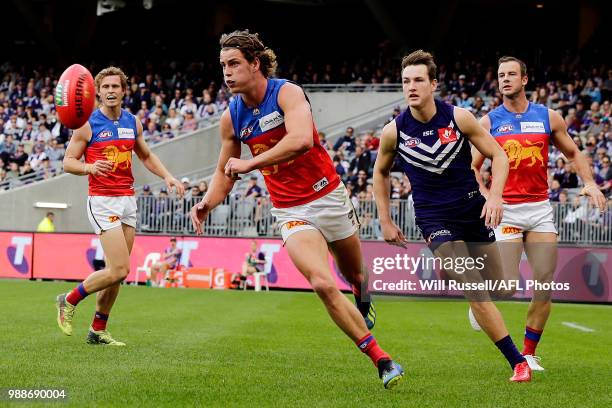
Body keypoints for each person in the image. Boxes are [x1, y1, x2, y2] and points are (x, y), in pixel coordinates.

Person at [190, 29, 403, 389]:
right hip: (290, 210)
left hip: (329, 196)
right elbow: (225, 169)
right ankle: (381, 359)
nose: (226, 72)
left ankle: (362, 299)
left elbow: (302, 140)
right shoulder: (232, 116)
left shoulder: (286, 92)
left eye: (234, 64)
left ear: (255, 63)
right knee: (321, 283)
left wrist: (251, 165)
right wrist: (208, 202)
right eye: (222, 65)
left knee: (357, 276)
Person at [373, 50, 532, 382]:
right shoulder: (394, 131)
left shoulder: (459, 118)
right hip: (434, 220)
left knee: (501, 287)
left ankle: (479, 308)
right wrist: (386, 220)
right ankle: (518, 362)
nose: (411, 87)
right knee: (473, 288)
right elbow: (381, 173)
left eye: (418, 80)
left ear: (433, 83)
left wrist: (496, 196)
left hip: (473, 211)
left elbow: (499, 156)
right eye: (406, 81)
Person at [471, 56, 607, 370]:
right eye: (501, 75)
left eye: (511, 74)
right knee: (505, 287)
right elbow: (472, 167)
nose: (505, 79)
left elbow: (573, 152)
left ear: (525, 79)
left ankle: (528, 354)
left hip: (539, 210)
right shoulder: (489, 123)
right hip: (507, 211)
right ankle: (479, 299)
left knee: (544, 283)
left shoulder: (548, 117)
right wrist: (490, 197)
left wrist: (588, 182)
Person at [56, 66, 184, 346]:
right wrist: (90, 167)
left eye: (116, 87)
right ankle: (68, 299)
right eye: (106, 87)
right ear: (97, 92)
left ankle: (97, 330)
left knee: (117, 275)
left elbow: (146, 155)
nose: (111, 91)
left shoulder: (132, 122)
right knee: (120, 269)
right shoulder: (88, 124)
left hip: (127, 200)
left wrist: (168, 176)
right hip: (102, 201)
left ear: (124, 91)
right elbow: (68, 162)